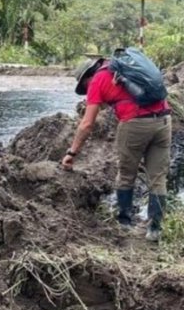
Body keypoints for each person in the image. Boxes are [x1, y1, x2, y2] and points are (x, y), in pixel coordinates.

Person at [61, 56, 172, 242]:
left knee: (127, 173)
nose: (87, 91)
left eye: (85, 87)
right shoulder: (125, 67)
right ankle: (155, 229)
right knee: (158, 177)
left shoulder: (97, 80)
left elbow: (87, 124)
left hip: (135, 123)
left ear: (87, 77)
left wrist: (71, 153)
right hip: (164, 120)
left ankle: (124, 223)